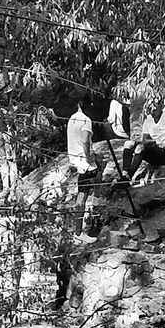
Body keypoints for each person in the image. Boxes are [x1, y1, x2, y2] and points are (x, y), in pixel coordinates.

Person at [65, 98, 100, 240]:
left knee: (85, 192)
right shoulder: (86, 120)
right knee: (83, 196)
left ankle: (81, 226)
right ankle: (79, 232)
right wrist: (89, 157)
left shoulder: (72, 118)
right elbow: (85, 140)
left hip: (75, 159)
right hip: (85, 163)